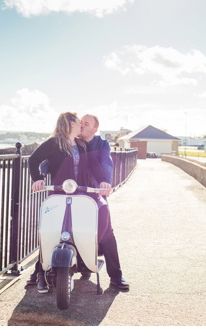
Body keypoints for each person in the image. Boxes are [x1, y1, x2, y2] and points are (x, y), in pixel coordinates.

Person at [25, 112, 129, 293]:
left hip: (84, 193)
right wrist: (37, 178)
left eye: (85, 123)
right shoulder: (55, 142)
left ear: (94, 129)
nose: (81, 124)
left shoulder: (87, 145)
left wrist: (105, 181)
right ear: (69, 124)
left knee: (105, 220)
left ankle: (99, 257)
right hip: (60, 193)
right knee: (50, 230)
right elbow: (36, 160)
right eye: (78, 122)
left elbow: (98, 165)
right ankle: (40, 272)